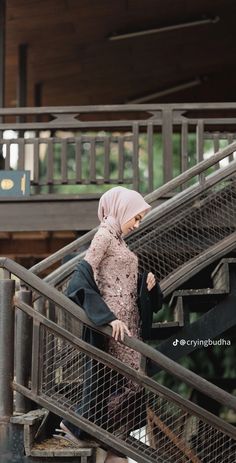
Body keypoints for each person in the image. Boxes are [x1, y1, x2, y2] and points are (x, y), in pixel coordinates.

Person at [57, 186, 161, 463]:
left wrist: (146, 282)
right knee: (134, 384)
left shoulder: (119, 240)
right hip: (115, 326)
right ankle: (87, 428)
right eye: (135, 218)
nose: (136, 225)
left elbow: (121, 276)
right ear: (121, 209)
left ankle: (111, 445)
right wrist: (107, 317)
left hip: (130, 323)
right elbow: (84, 272)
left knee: (128, 384)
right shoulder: (104, 234)